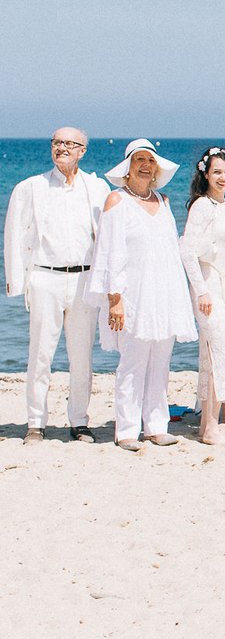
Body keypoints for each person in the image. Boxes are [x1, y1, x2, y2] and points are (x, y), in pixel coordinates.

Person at [5, 126, 111, 443]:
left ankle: (79, 421)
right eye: (56, 142)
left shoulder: (97, 188)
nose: (61, 147)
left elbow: (107, 238)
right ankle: (35, 423)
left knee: (82, 357)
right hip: (44, 277)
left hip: (84, 279)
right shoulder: (30, 188)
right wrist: (19, 283)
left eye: (69, 143)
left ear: (82, 150)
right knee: (40, 354)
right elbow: (14, 235)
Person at [89, 140, 196, 451]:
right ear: (128, 166)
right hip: (132, 295)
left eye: (150, 160)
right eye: (139, 160)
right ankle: (125, 431)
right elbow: (109, 253)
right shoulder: (116, 201)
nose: (146, 165)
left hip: (163, 294)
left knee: (161, 364)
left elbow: (168, 253)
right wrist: (115, 299)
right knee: (132, 364)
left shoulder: (162, 201)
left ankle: (156, 426)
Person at [180, 147, 225, 445]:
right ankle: (209, 425)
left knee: (221, 354)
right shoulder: (202, 206)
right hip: (207, 284)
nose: (223, 177)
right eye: (217, 171)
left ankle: (212, 421)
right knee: (216, 351)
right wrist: (201, 291)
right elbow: (188, 252)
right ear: (205, 174)